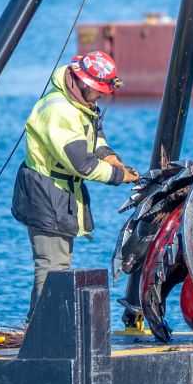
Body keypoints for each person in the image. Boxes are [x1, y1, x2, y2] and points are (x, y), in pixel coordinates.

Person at [9, 50, 140, 332]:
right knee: (52, 264)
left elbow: (94, 135)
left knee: (59, 262)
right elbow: (82, 163)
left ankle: (44, 325)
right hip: (46, 192)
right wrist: (118, 175)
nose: (100, 98)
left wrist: (111, 156)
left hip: (61, 192)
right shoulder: (58, 111)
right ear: (80, 82)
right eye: (97, 92)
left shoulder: (79, 102)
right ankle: (42, 330)